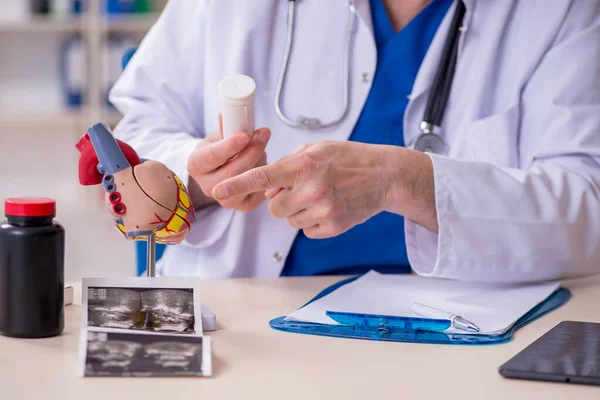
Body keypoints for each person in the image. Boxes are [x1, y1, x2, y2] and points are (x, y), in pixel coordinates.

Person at [109, 0, 600, 282]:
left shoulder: (561, 13)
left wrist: (405, 181)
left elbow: (586, 206)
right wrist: (190, 176)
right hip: (246, 322)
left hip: (459, 336)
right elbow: (136, 133)